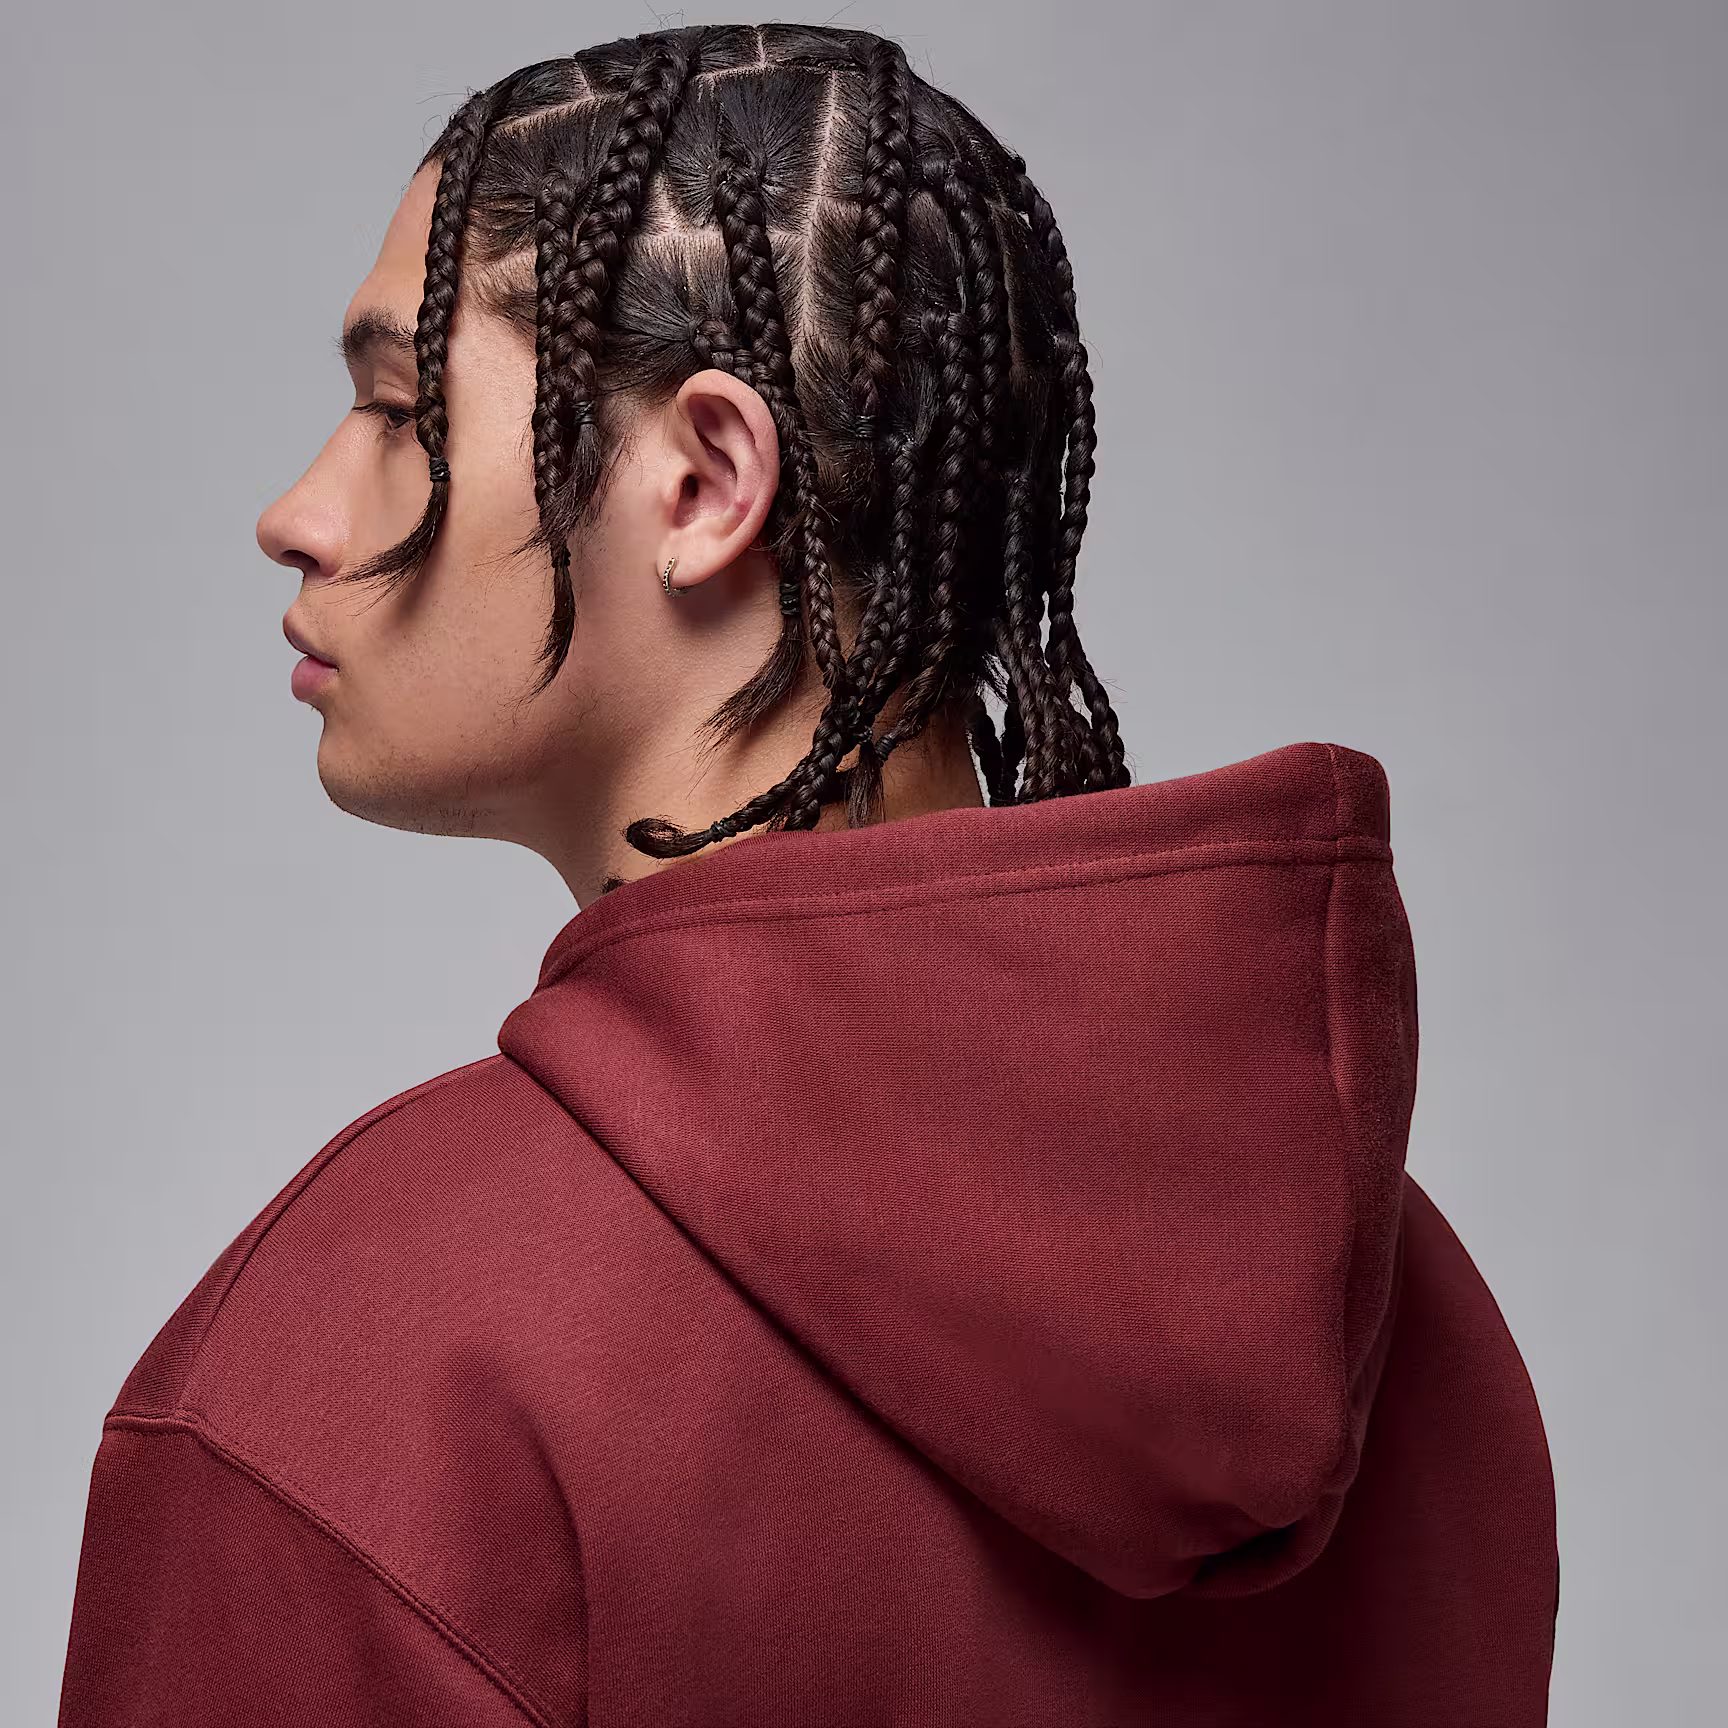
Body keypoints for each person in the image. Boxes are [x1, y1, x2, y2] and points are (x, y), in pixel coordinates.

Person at [57, 22, 1558, 1726]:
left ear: (706, 480)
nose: (298, 510)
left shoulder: (372, 1373)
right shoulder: (1400, 1325)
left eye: (401, 410)